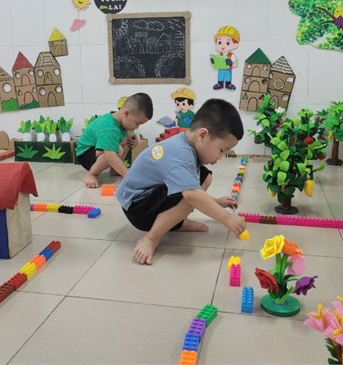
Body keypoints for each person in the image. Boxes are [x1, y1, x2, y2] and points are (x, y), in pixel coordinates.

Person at [116, 98, 246, 265]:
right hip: (137, 208)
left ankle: (175, 221)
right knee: (189, 195)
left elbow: (193, 187)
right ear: (202, 135)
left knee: (204, 176)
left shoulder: (187, 145)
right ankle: (151, 238)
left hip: (148, 198)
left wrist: (215, 202)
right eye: (221, 150)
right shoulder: (180, 153)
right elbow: (192, 194)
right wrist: (226, 218)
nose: (220, 157)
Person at [76, 93, 153, 188]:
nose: (137, 127)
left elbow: (126, 138)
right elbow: (110, 156)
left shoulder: (120, 120)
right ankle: (92, 174)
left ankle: (115, 170)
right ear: (126, 113)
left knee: (126, 142)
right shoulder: (110, 128)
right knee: (117, 150)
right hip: (85, 153)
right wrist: (128, 176)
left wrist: (133, 141)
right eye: (137, 123)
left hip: (97, 149)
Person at [210, 26, 240, 90]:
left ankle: (228, 85)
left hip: (227, 70)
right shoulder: (220, 54)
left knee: (228, 77)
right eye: (219, 42)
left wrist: (231, 63)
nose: (222, 45)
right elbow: (217, 62)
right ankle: (219, 84)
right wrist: (214, 61)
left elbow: (235, 64)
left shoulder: (231, 55)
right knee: (220, 76)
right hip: (221, 69)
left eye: (228, 43)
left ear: (235, 45)